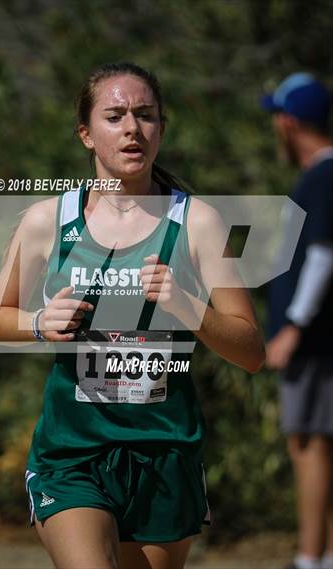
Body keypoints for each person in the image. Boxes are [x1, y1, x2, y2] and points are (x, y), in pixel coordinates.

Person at [0, 62, 265, 569]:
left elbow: (250, 352)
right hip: (73, 454)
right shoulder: (49, 219)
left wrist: (188, 306)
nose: (133, 128)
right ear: (86, 134)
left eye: (146, 115)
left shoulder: (197, 222)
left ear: (161, 128)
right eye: (114, 116)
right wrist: (37, 322)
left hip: (165, 451)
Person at [262, 72, 333, 569]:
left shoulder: (324, 176)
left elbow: (325, 255)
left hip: (313, 340)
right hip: (315, 336)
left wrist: (293, 325)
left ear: (287, 123)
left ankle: (311, 559)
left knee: (306, 442)